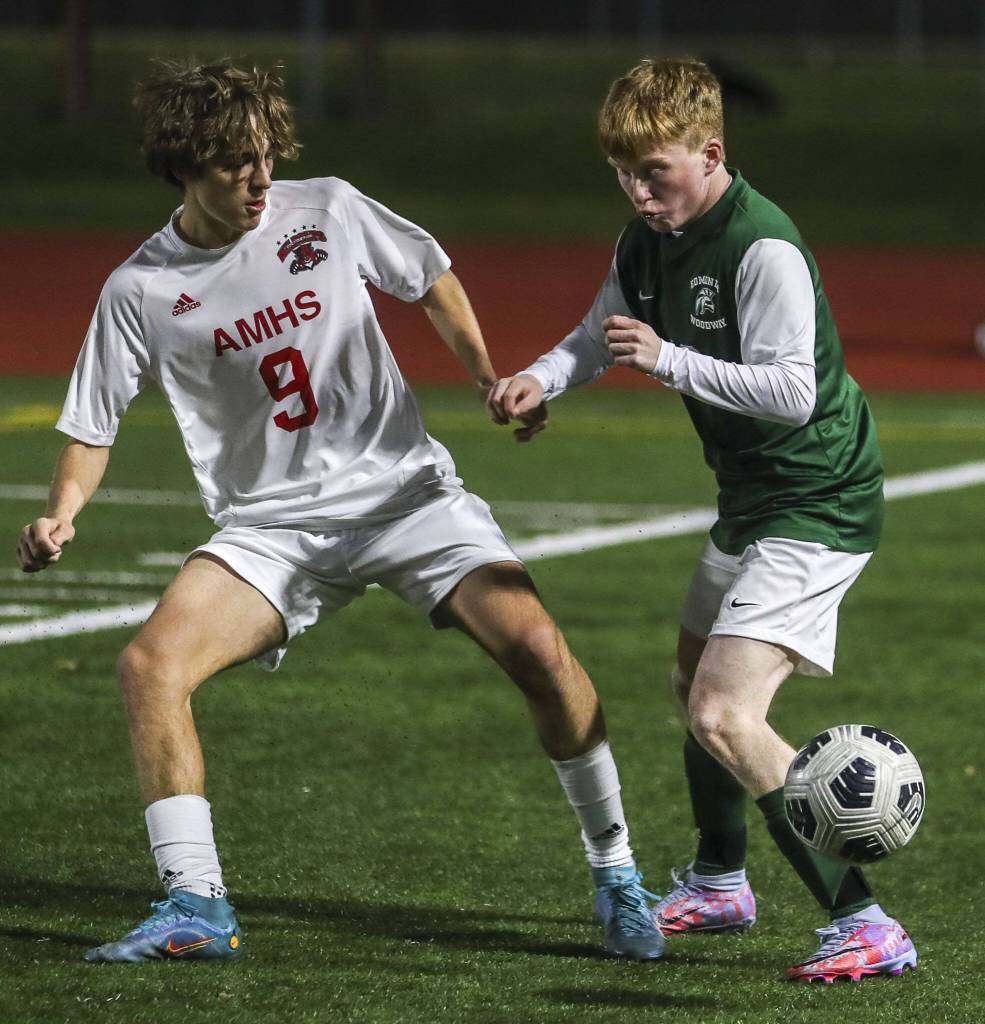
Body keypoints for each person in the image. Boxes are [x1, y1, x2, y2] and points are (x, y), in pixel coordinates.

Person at [15, 60, 666, 964]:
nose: (258, 179)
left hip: (404, 494)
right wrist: (61, 512)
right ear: (183, 168)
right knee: (148, 667)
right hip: (272, 529)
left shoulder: (326, 208)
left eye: (264, 156)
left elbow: (429, 275)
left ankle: (618, 874)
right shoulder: (142, 289)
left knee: (542, 652)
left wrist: (486, 375)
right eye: (234, 164)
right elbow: (92, 422)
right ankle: (197, 906)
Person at [487, 58, 916, 983]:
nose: (640, 193)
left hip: (817, 501)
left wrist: (670, 360)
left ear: (710, 153)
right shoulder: (644, 243)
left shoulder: (761, 247)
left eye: (657, 172)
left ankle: (866, 922)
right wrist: (540, 376)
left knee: (724, 712)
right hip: (750, 503)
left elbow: (792, 394)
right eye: (623, 174)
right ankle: (721, 881)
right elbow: (600, 330)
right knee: (692, 687)